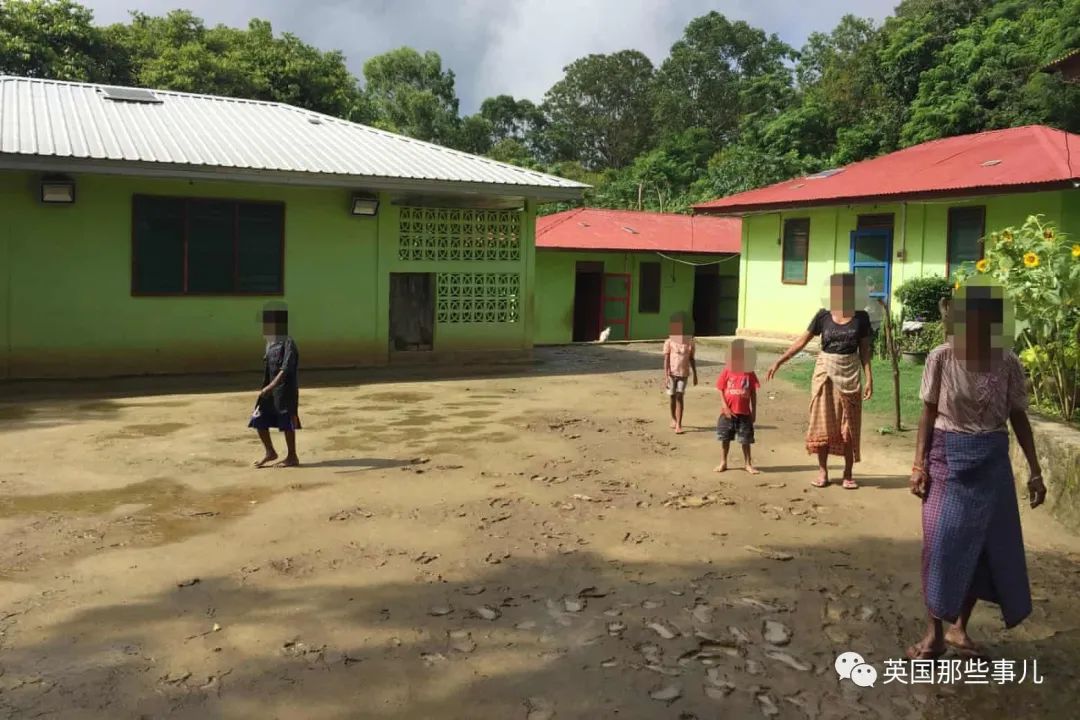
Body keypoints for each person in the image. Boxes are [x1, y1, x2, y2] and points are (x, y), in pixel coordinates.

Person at [906, 289, 1046, 660]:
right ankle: (933, 634)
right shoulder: (941, 357)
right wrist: (919, 465)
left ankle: (958, 629)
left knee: (981, 547)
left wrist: (1035, 470)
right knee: (940, 546)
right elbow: (928, 412)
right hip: (946, 458)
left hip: (992, 461)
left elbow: (1018, 416)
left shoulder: (1009, 362)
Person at [766, 273, 873, 489]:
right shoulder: (823, 316)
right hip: (825, 374)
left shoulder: (861, 318)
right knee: (821, 424)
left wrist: (869, 378)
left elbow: (865, 351)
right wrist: (779, 361)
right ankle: (823, 471)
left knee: (849, 426)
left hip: (850, 375)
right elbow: (801, 341)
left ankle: (848, 473)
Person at [250, 304, 301, 468]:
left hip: (285, 391)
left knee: (287, 423)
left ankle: (292, 456)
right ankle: (270, 452)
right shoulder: (270, 343)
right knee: (258, 420)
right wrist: (266, 388)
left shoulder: (288, 343)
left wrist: (271, 387)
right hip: (269, 390)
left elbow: (285, 369)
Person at [715, 339, 761, 474]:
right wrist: (725, 407)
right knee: (725, 438)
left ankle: (748, 464)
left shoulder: (750, 373)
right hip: (728, 413)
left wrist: (754, 412)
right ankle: (723, 462)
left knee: (745, 440)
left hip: (744, 412)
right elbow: (720, 388)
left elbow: (753, 393)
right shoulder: (727, 371)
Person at [663, 312, 698, 434]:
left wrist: (695, 375)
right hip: (672, 374)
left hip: (684, 374)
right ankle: (673, 418)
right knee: (672, 397)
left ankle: (679, 423)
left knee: (680, 396)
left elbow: (692, 359)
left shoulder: (690, 343)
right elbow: (666, 360)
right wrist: (666, 376)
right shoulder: (669, 342)